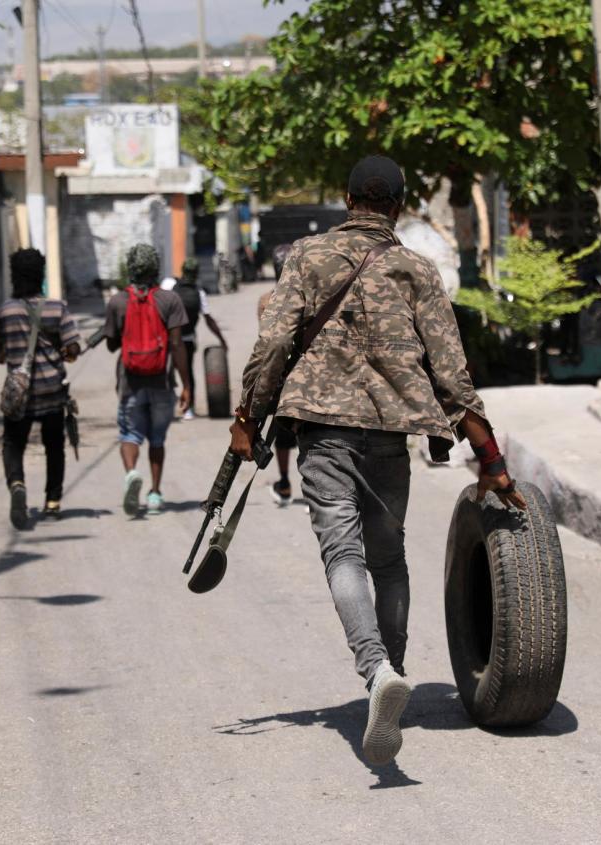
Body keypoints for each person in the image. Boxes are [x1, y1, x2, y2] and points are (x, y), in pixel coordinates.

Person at [231, 155, 528, 767]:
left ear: (347, 200)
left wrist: (246, 419)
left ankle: (375, 673)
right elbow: (451, 371)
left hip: (323, 430)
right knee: (387, 558)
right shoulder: (415, 269)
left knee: (343, 554)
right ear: (398, 204)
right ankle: (389, 670)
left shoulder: (307, 257)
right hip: (390, 434)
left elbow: (275, 342)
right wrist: (491, 458)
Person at [0, 248, 82, 528]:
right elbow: (73, 348)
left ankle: (17, 483)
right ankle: (52, 502)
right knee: (54, 446)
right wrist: (63, 351)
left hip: (19, 396)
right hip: (52, 392)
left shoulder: (4, 311)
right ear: (40, 274)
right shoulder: (57, 308)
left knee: (13, 444)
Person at [102, 243, 191, 516]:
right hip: (162, 383)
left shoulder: (118, 301)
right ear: (155, 267)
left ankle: (131, 473)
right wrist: (187, 384)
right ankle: (154, 493)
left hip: (130, 383)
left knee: (129, 434)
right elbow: (177, 346)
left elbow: (111, 345)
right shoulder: (169, 300)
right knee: (156, 439)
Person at [164, 257, 227, 420]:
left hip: (167, 338)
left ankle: (165, 407)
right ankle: (188, 408)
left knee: (166, 370)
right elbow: (208, 319)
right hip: (187, 340)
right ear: (197, 273)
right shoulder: (199, 293)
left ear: (183, 271)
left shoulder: (169, 285)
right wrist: (221, 339)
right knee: (188, 373)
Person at [258, 244, 297, 504]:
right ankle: (317, 490)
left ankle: (284, 484)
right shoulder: (313, 295)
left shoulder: (265, 301)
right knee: (310, 435)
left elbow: (265, 344)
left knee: (282, 437)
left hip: (281, 380)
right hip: (309, 378)